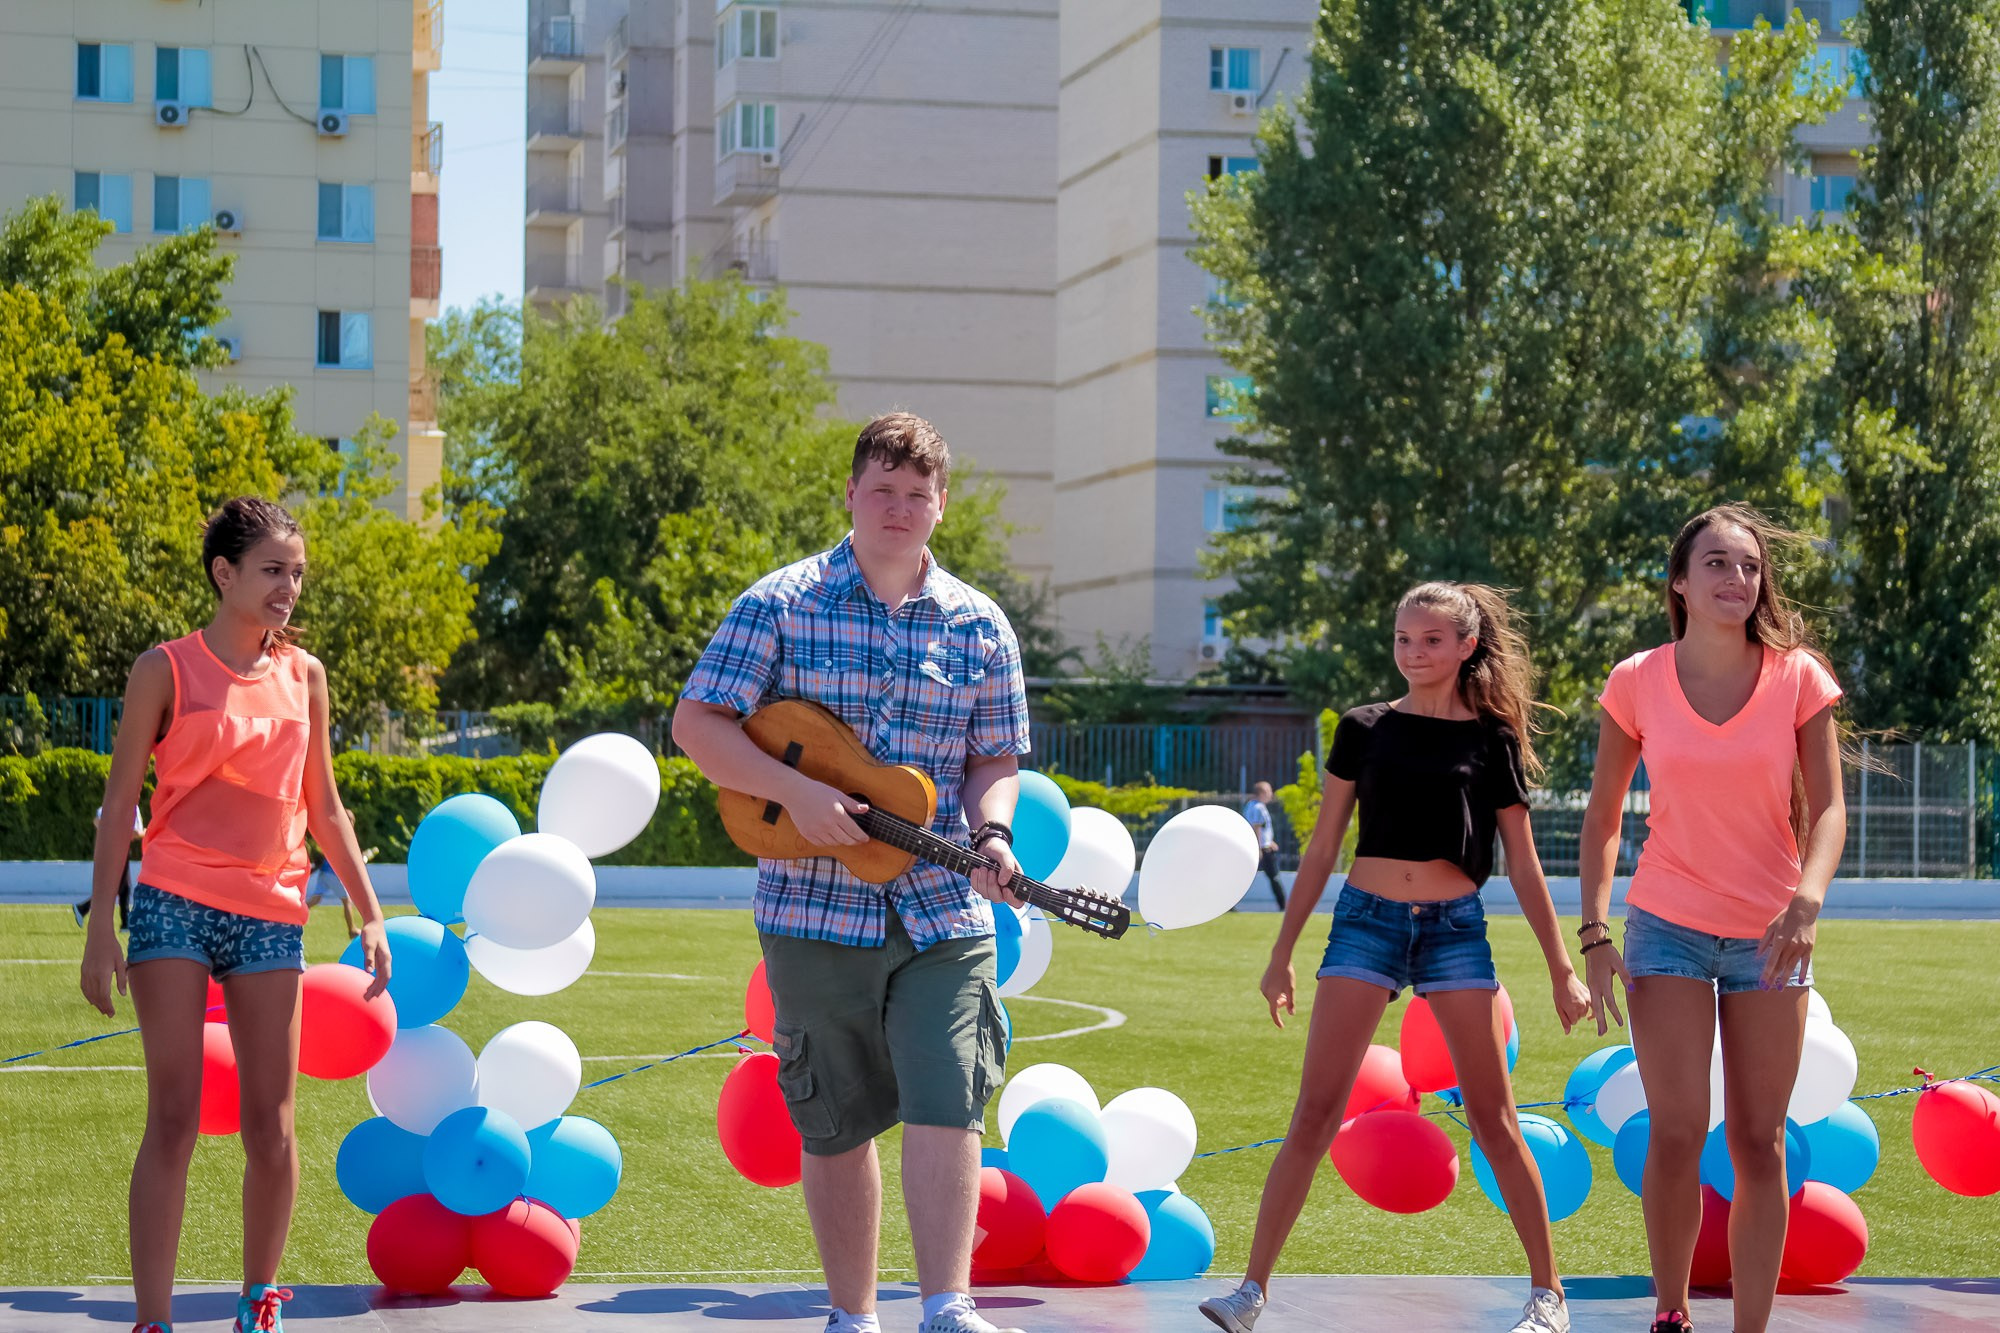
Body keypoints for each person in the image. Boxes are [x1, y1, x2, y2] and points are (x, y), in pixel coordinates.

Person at [673, 413, 1032, 1333]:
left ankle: (948, 1306)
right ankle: (853, 1315)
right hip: (810, 906)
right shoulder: (779, 603)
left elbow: (995, 758)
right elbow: (699, 725)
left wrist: (992, 836)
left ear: (941, 505)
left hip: (946, 910)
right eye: (883, 490)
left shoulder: (981, 624)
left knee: (950, 1100)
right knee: (835, 1117)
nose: (900, 509)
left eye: (919, 495)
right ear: (850, 494)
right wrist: (793, 791)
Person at [1201, 582, 1593, 1333]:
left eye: (1432, 640)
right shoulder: (1363, 727)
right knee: (1314, 1111)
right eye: (1404, 639)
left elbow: (1526, 861)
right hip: (1364, 922)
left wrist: (1563, 966)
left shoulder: (1491, 739)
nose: (1415, 653)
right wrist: (1282, 952)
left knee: (1493, 1116)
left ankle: (1549, 1295)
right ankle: (1249, 1291)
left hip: (1455, 929)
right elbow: (1322, 848)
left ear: (1466, 646)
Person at [79, 497, 393, 1333]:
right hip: (173, 902)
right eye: (272, 570)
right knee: (174, 1113)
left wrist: (370, 911)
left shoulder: (307, 676)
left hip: (270, 912)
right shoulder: (165, 669)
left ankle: (260, 1299)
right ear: (225, 573)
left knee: (272, 1122)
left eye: (296, 572)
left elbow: (325, 807)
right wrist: (100, 929)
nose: (289, 586)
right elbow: (119, 810)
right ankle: (153, 1319)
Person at [1577, 505, 1845, 1333]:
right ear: (1680, 581)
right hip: (1666, 926)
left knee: (1760, 1141)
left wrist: (1806, 901)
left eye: (1751, 566)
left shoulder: (1799, 675)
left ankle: (1752, 1328)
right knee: (1679, 1130)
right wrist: (1593, 933)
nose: (1738, 579)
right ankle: (1671, 1311)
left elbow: (1831, 809)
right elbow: (1604, 815)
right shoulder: (1636, 679)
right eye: (1719, 564)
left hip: (1773, 931)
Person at [304, 810, 374, 940]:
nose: (352, 823)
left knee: (316, 899)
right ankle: (352, 930)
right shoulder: (346, 835)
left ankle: (295, 918)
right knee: (347, 901)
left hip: (325, 872)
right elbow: (350, 857)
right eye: (350, 820)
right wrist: (362, 859)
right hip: (333, 874)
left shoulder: (333, 834)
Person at [76, 803, 144, 930]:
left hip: (116, 849)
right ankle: (83, 908)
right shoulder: (127, 806)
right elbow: (134, 833)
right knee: (118, 887)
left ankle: (125, 922)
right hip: (118, 849)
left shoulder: (122, 806)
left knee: (123, 887)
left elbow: (97, 821)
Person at [1242, 781, 1286, 909]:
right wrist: (1259, 847)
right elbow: (1256, 827)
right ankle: (1283, 905)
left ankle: (1229, 904)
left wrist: (1269, 841)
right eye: (1268, 791)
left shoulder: (1250, 805)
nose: (1271, 794)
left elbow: (1261, 827)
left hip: (1260, 846)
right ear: (1261, 793)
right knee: (1274, 877)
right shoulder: (1259, 808)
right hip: (1262, 850)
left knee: (1243, 877)